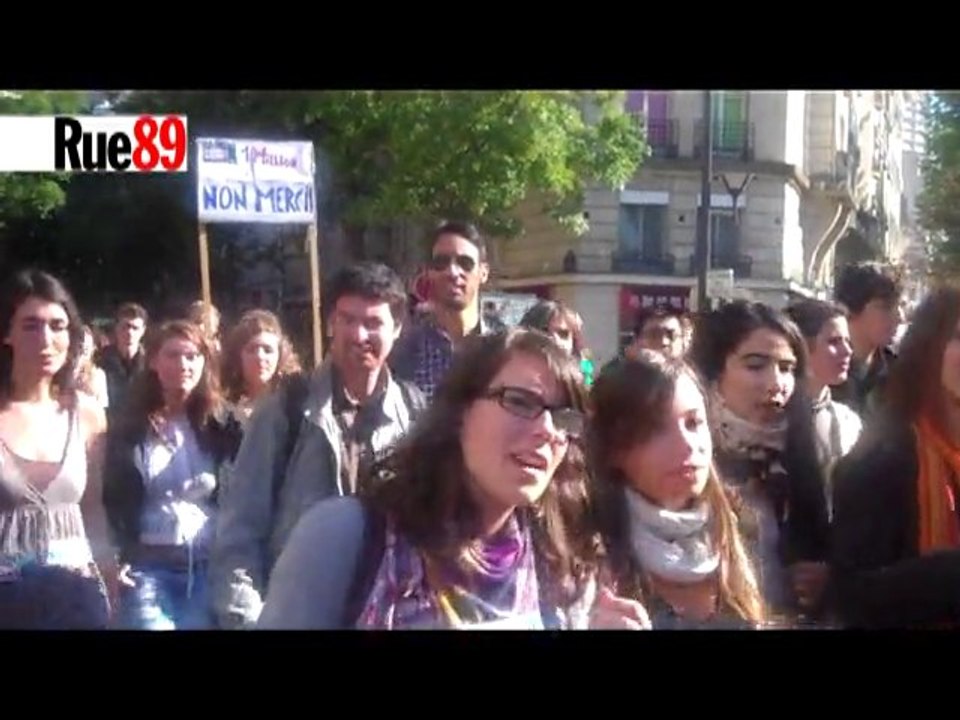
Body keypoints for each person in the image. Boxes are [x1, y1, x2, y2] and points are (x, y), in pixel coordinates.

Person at [258, 329, 598, 629]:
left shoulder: (558, 564)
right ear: (461, 412)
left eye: (564, 417)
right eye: (520, 402)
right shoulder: (344, 537)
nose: (548, 431)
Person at [211, 263, 426, 629]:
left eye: (373, 322)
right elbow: (239, 531)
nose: (359, 334)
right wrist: (250, 621)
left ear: (397, 328)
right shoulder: (285, 410)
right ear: (330, 324)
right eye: (347, 320)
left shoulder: (415, 415)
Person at [588, 351, 765, 629]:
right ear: (614, 450)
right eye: (657, 429)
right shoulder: (587, 548)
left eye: (694, 423)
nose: (687, 444)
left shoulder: (741, 526)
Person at [690, 300, 830, 625]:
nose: (776, 383)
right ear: (713, 373)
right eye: (755, 366)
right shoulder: (684, 464)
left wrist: (824, 579)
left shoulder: (801, 457)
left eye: (787, 368)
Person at [832, 286, 960, 627]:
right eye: (959, 337)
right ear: (928, 349)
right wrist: (948, 573)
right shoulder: (884, 456)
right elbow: (853, 596)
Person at [104, 320, 240, 630]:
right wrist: (114, 555)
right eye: (173, 355)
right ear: (153, 360)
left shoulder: (224, 424)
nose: (184, 365)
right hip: (147, 570)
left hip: (206, 568)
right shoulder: (130, 426)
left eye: (192, 356)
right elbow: (110, 495)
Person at [0, 269, 116, 628]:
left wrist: (109, 579)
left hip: (76, 597)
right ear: (7, 334)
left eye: (58, 326)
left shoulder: (86, 414)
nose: (46, 339)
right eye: (31, 326)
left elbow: (93, 509)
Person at [390, 221, 496, 400]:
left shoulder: (503, 348)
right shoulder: (404, 352)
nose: (453, 272)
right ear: (428, 272)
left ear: (483, 272)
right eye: (441, 263)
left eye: (465, 263)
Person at [785, 299, 862, 515]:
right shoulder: (770, 420)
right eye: (834, 341)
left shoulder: (849, 422)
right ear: (801, 347)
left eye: (848, 341)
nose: (847, 351)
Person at [831, 261, 903, 420]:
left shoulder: (900, 374)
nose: (899, 317)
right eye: (885, 307)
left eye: (899, 306)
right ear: (848, 310)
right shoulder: (823, 370)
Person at [96, 302, 148, 427]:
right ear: (116, 328)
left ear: (143, 331)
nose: (129, 332)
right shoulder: (98, 360)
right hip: (107, 427)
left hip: (141, 429)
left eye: (135, 328)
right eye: (125, 327)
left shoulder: (151, 362)